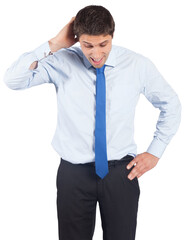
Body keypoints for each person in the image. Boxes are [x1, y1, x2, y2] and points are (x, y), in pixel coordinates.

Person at [3, 5, 181, 240]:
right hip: (73, 174)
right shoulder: (61, 61)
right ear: (77, 39)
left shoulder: (138, 65)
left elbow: (171, 105)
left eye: (103, 44)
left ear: (112, 36)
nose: (96, 54)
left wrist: (155, 152)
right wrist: (55, 44)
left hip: (121, 173)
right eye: (87, 45)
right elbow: (13, 80)